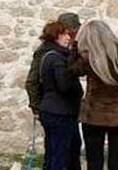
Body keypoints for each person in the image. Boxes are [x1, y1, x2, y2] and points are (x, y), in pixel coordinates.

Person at [69, 19, 118, 170]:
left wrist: (75, 44)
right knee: (117, 162)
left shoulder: (88, 58)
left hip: (94, 115)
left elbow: (72, 70)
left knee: (94, 162)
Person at [38, 20, 83, 170]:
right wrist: (78, 89)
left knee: (52, 153)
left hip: (51, 110)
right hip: (61, 112)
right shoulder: (57, 57)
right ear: (55, 36)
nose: (68, 37)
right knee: (61, 156)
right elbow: (64, 85)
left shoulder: (47, 55)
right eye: (64, 34)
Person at [26, 12, 81, 115]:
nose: (71, 37)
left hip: (68, 109)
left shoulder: (67, 49)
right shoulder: (45, 51)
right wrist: (37, 109)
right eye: (68, 33)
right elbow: (32, 81)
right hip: (54, 110)